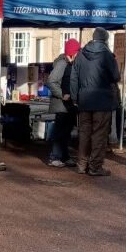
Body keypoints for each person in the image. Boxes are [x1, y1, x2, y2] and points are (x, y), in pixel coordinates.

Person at [70, 28, 121, 177]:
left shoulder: (80, 55)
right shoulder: (107, 55)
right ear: (105, 39)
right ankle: (95, 167)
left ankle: (81, 164)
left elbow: (74, 78)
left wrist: (75, 98)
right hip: (102, 100)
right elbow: (116, 76)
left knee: (84, 132)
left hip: (84, 100)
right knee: (99, 133)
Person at [46, 38, 81, 168]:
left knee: (66, 131)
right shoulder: (62, 63)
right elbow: (51, 81)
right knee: (60, 131)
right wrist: (62, 94)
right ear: (72, 53)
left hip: (68, 104)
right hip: (61, 104)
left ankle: (65, 156)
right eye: (77, 52)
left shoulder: (70, 63)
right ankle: (54, 157)